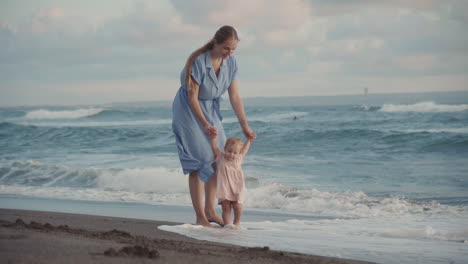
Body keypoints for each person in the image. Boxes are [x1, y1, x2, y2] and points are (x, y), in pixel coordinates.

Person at [172, 25, 256, 227]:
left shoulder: (231, 62)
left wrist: (244, 125)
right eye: (226, 48)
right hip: (188, 110)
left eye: (233, 49)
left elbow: (234, 96)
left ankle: (210, 211)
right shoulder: (199, 62)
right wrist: (205, 124)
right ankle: (200, 216)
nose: (230, 53)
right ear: (216, 43)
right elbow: (192, 97)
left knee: (217, 159)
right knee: (200, 160)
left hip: (210, 108)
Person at [210, 136, 251, 227]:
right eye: (229, 151)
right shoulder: (220, 157)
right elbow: (214, 147)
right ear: (225, 149)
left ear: (238, 153)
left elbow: (245, 149)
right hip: (224, 187)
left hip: (237, 187)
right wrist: (213, 138)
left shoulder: (239, 158)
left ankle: (236, 223)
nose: (231, 154)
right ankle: (227, 225)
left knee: (238, 207)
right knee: (226, 208)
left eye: (235, 153)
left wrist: (249, 140)